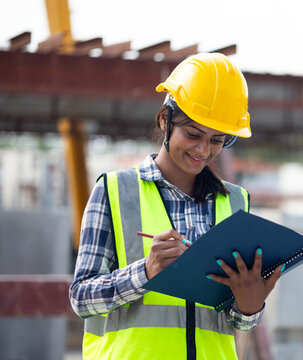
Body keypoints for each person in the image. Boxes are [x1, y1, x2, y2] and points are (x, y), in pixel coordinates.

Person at [69, 53, 282, 359]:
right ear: (164, 119)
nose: (203, 150)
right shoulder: (114, 192)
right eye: (193, 134)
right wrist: (145, 271)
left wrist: (250, 307)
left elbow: (237, 322)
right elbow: (81, 298)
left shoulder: (235, 202)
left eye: (217, 140)